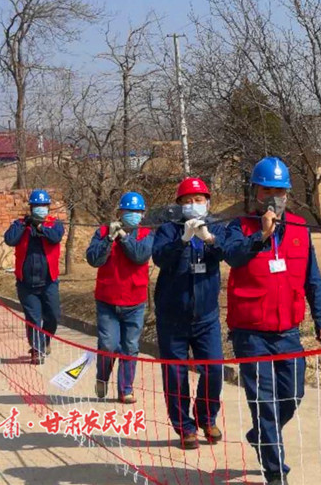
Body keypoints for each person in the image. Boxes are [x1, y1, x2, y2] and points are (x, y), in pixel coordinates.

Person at [223, 156, 321, 485]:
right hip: (251, 333)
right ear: (255, 192)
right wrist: (261, 235)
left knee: (292, 395)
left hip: (288, 331)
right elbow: (233, 254)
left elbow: (312, 277)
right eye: (267, 190)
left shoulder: (299, 227)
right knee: (265, 402)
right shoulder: (238, 228)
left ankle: (261, 434)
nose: (274, 197)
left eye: (280, 190)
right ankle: (276, 472)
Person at [152, 177, 226, 450]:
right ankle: (184, 427)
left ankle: (206, 417)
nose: (193, 205)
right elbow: (159, 258)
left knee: (214, 369)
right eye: (187, 201)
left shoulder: (217, 227)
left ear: (207, 202)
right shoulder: (168, 231)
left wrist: (208, 238)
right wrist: (183, 240)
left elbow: (225, 253)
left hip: (206, 316)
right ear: (179, 205)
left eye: (198, 200)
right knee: (175, 375)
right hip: (173, 316)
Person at [86, 191, 154, 404]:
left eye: (136, 211)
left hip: (135, 301)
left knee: (130, 346)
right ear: (119, 212)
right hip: (108, 299)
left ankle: (126, 389)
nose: (132, 215)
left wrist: (124, 238)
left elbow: (139, 256)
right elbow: (93, 259)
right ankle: (102, 376)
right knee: (108, 344)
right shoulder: (104, 232)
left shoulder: (146, 235)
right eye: (128, 211)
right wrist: (108, 239)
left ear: (143, 214)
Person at [3, 189, 65, 365]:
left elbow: (55, 237)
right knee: (33, 318)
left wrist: (40, 226)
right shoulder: (21, 224)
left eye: (43, 206)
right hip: (26, 283)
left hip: (49, 282)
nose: (40, 209)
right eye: (37, 206)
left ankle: (45, 341)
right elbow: (9, 239)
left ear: (48, 208)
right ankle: (36, 350)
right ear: (31, 208)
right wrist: (25, 225)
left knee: (52, 316)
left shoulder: (55, 224)